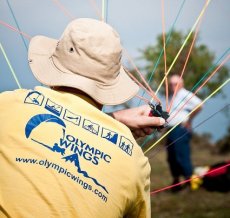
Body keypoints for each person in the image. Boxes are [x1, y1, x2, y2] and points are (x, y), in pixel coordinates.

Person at [0, 18, 164, 217]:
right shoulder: (134, 160)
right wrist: (111, 124)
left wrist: (111, 121)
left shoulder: (7, 105)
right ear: (112, 80)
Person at [166, 74, 202, 190]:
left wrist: (189, 120)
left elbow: (199, 105)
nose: (173, 86)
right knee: (172, 156)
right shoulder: (172, 96)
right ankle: (176, 181)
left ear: (181, 84)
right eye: (171, 84)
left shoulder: (184, 94)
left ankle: (190, 182)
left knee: (181, 154)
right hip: (171, 130)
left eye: (175, 84)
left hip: (180, 129)